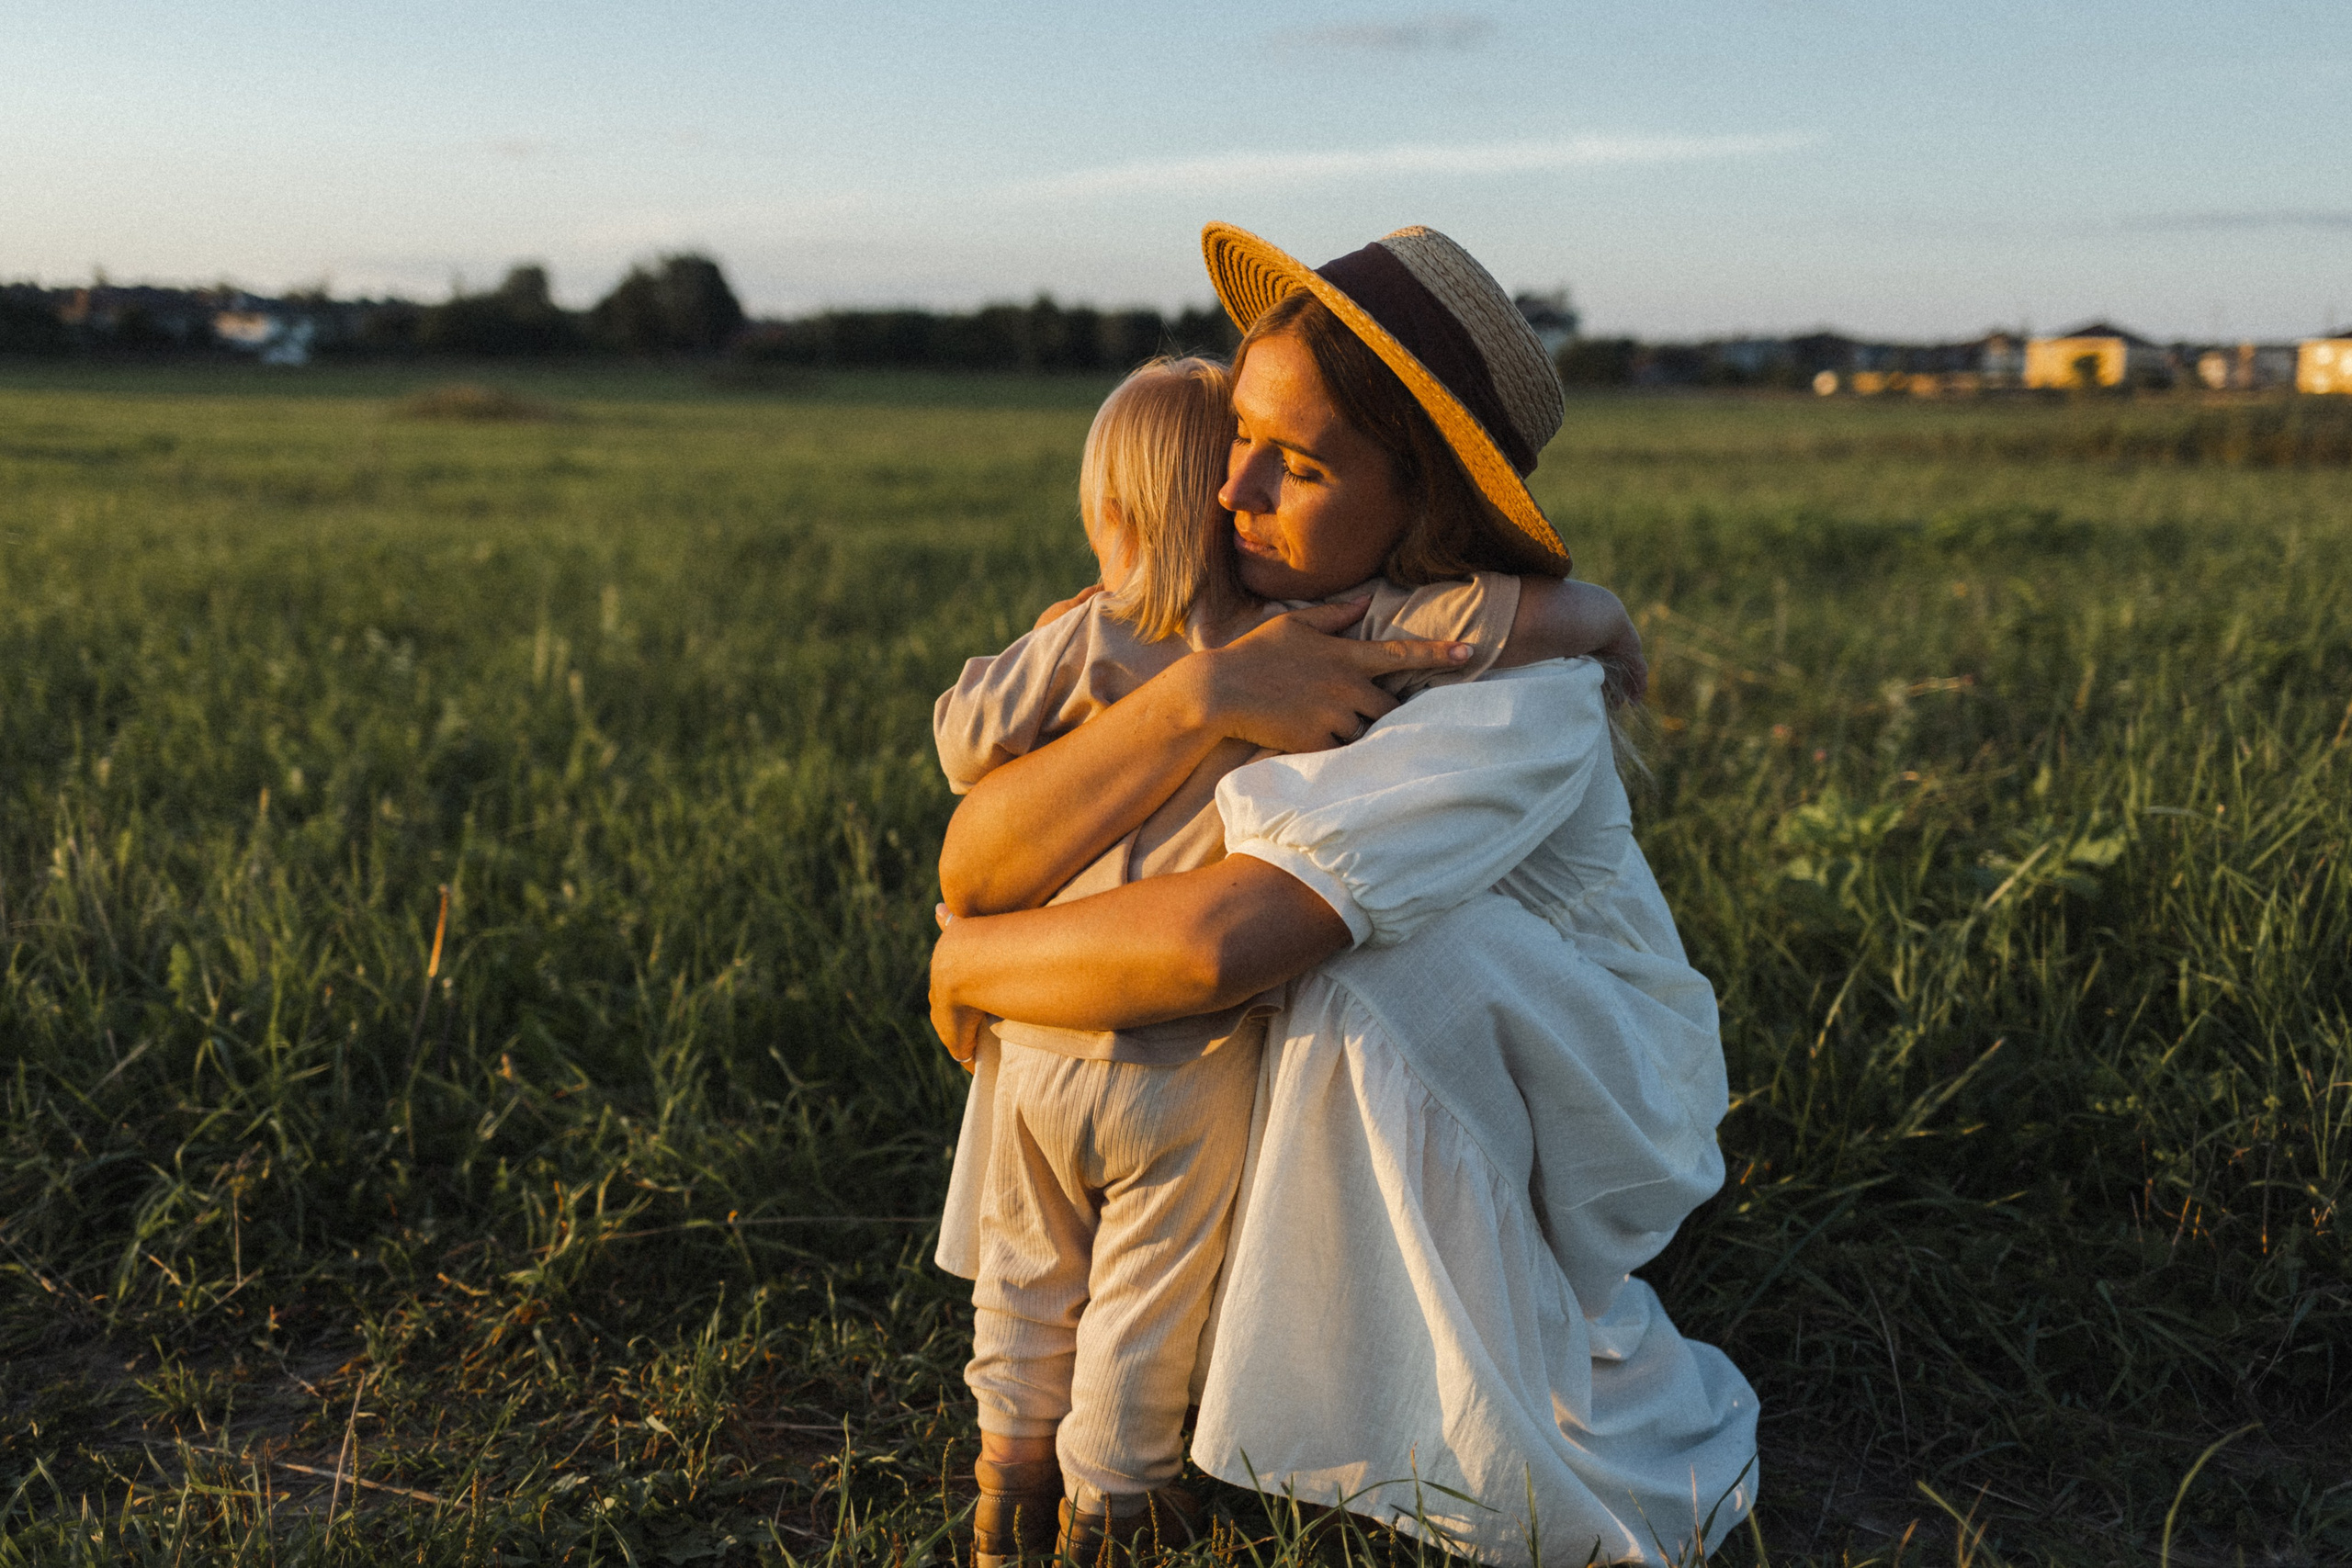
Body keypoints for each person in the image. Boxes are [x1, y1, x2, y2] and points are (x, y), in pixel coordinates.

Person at [930, 224, 1758, 1564]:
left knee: (1367, 968)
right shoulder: (1230, 631)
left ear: (1422, 510)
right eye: (1233, 437)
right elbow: (975, 860)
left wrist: (970, 968)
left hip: (1565, 1085)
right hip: (1253, 1033)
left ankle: (1403, 1399)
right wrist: (1202, 696)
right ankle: (1176, 1380)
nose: (1228, 492)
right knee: (1125, 979)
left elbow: (1213, 947)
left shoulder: (1506, 703)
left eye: (1298, 465)